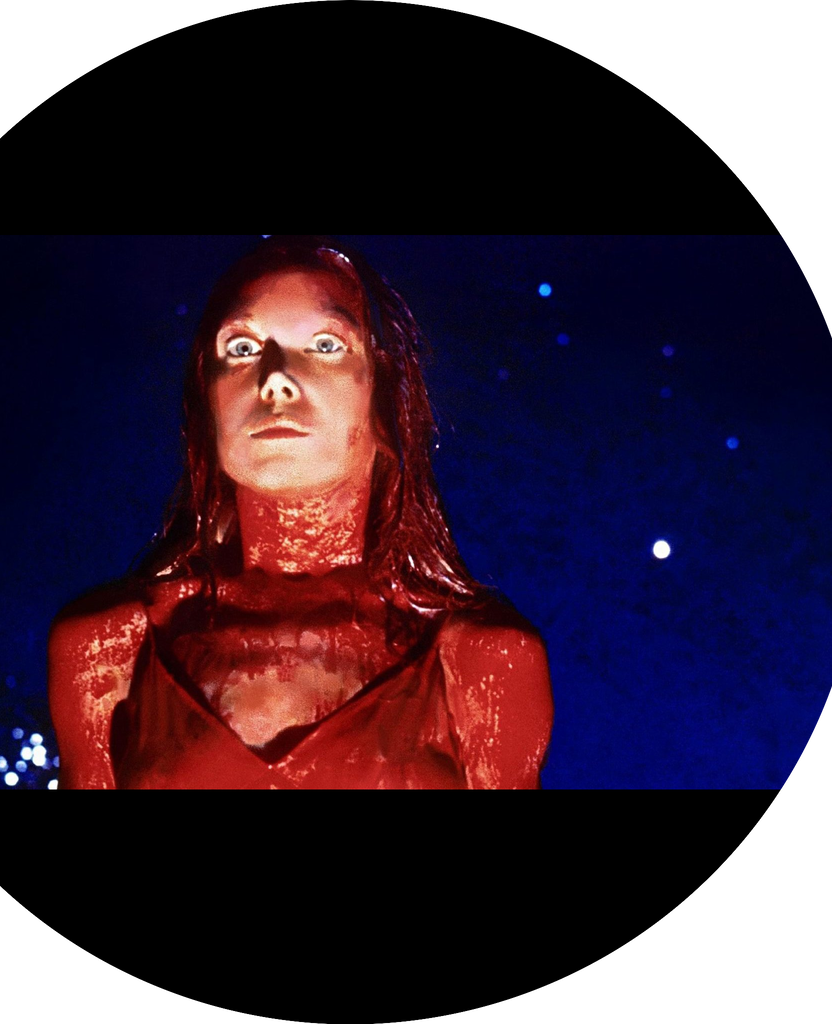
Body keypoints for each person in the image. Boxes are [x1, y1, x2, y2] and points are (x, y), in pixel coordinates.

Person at [48, 235, 553, 789]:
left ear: (385, 393)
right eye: (241, 347)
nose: (274, 379)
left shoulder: (482, 655)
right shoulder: (110, 646)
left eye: (326, 345)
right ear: (206, 396)